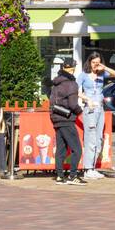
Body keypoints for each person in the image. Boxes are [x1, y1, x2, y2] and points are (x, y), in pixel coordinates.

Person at [76, 51, 115, 181]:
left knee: (99, 138)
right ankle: (87, 168)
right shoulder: (83, 75)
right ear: (89, 62)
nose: (95, 65)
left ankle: (93, 167)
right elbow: (77, 91)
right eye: (94, 62)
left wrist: (104, 67)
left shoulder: (101, 74)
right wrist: (87, 99)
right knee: (91, 138)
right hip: (90, 108)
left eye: (98, 62)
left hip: (100, 108)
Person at [49, 57, 83, 185]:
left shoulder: (56, 83)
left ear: (63, 68)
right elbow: (73, 104)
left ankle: (59, 176)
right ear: (73, 69)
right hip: (67, 119)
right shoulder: (71, 84)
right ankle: (73, 176)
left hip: (56, 118)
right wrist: (81, 112)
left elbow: (53, 102)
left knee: (61, 149)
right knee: (77, 149)